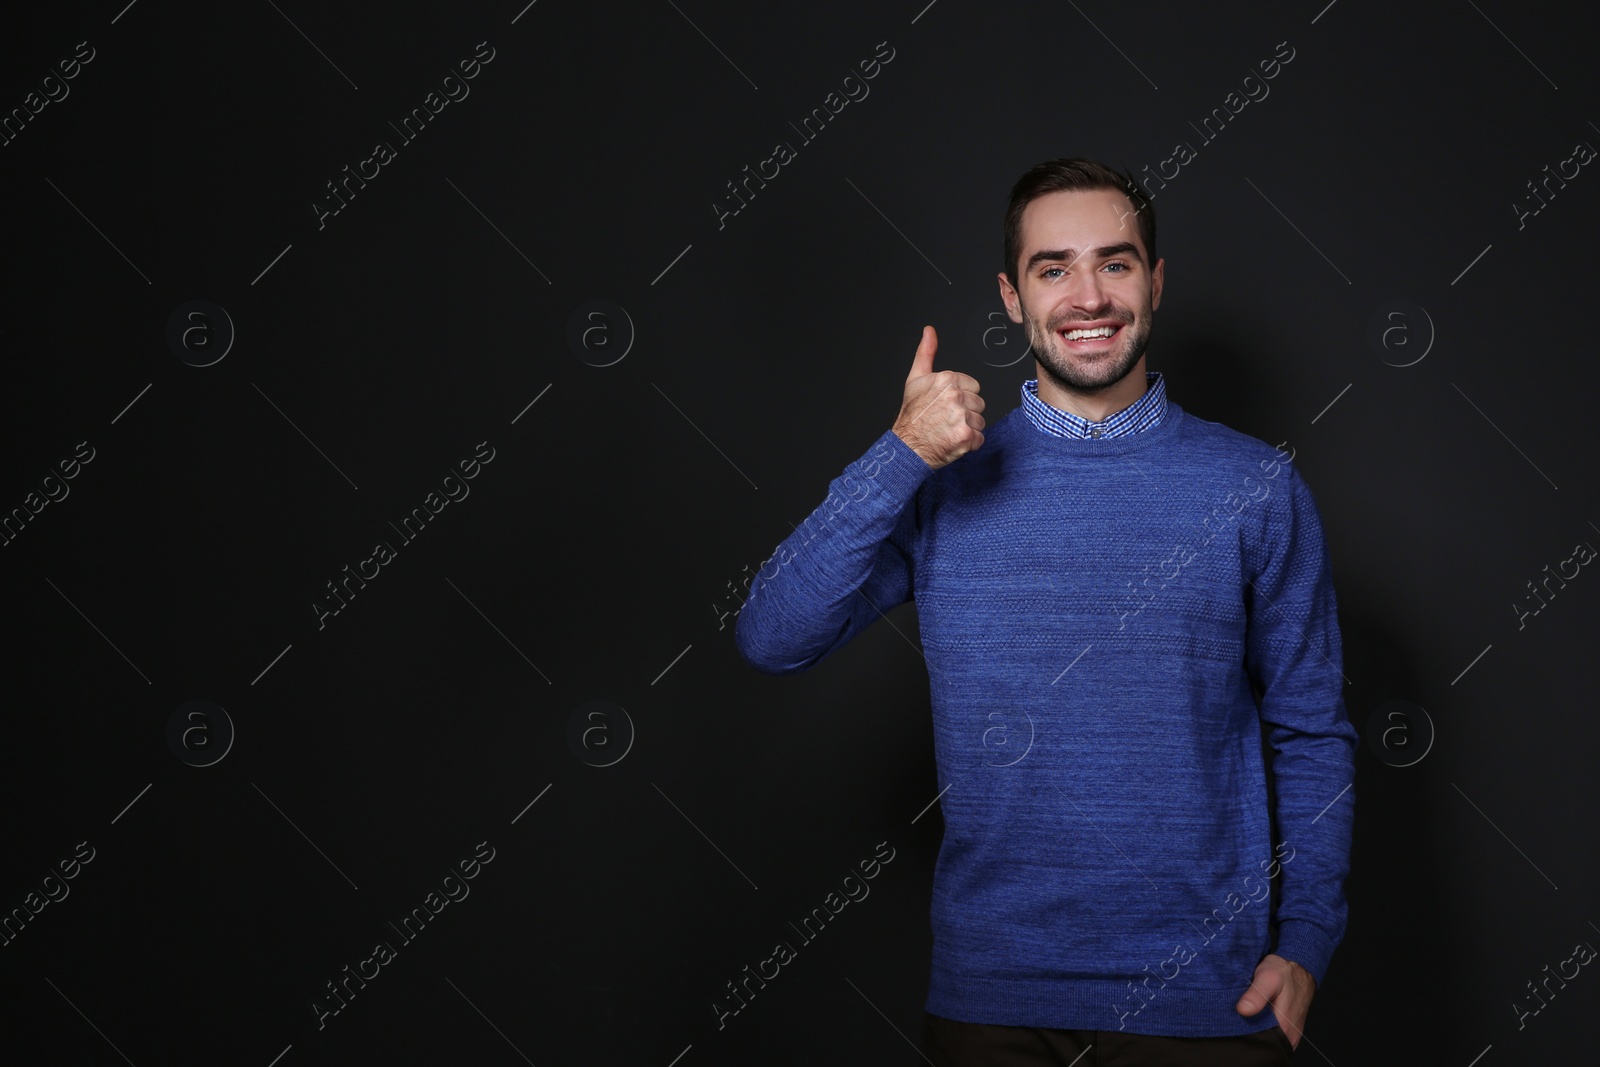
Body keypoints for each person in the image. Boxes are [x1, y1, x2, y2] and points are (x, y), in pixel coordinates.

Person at [733, 158, 1356, 1066]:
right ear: (1012, 296)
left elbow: (1311, 729)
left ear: (1157, 279)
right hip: (995, 1007)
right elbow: (770, 637)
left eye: (1117, 262)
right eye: (1053, 268)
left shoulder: (1255, 486)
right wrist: (901, 452)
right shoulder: (943, 482)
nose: (1088, 295)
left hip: (1206, 1003)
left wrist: (1305, 942)